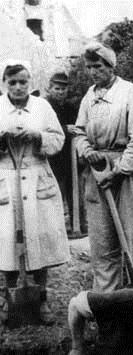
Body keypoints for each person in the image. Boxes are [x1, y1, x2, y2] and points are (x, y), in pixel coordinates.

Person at [74, 43, 133, 292]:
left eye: (98, 66)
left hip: (126, 173)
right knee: (102, 242)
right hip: (97, 174)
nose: (93, 72)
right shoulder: (90, 96)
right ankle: (108, 304)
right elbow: (79, 132)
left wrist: (119, 171)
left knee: (132, 239)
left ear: (110, 66)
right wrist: (87, 151)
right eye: (89, 67)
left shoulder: (129, 92)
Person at [0, 60, 69, 323]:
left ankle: (41, 300)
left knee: (37, 239)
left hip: (37, 176)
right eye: (12, 82)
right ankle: (8, 298)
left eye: (23, 82)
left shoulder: (42, 106)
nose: (18, 87)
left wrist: (37, 137)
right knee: (6, 242)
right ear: (5, 83)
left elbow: (58, 139)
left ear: (31, 82)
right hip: (5, 178)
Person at [46, 72, 81, 236]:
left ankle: (77, 224)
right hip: (52, 158)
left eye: (63, 89)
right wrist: (65, 129)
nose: (60, 92)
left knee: (74, 190)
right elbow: (47, 128)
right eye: (57, 88)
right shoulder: (45, 106)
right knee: (55, 192)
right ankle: (56, 228)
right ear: (50, 88)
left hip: (70, 156)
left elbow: (78, 124)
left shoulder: (69, 107)